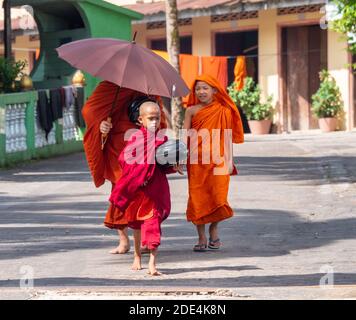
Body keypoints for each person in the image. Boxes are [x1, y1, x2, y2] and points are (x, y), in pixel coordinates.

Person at [81, 81, 167, 255]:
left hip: (143, 143)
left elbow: (159, 116)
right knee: (122, 189)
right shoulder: (112, 85)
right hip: (119, 144)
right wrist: (102, 126)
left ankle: (144, 238)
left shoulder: (150, 87)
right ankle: (124, 239)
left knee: (145, 192)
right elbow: (90, 111)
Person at [109, 100, 183, 275]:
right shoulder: (135, 139)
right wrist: (138, 175)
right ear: (140, 120)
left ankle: (152, 263)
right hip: (139, 190)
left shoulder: (162, 139)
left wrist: (175, 166)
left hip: (156, 189)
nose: (154, 122)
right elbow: (124, 161)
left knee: (153, 223)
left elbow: (163, 165)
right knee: (136, 225)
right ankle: (136, 255)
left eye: (157, 118)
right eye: (150, 118)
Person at [183, 74, 244, 252]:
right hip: (196, 161)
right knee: (197, 198)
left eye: (205, 88)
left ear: (215, 91)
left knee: (219, 197)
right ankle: (201, 236)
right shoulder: (191, 111)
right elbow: (184, 135)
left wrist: (230, 161)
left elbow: (227, 137)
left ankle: (214, 228)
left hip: (219, 161)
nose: (201, 92)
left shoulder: (223, 111)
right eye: (198, 88)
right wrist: (178, 158)